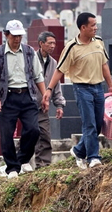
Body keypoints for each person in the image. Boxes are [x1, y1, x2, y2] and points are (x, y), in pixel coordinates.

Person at [42, 12, 112, 169]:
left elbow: (104, 64)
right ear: (83, 28)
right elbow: (59, 70)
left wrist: (110, 84)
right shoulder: (72, 47)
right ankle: (93, 158)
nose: (96, 28)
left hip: (98, 88)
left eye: (96, 25)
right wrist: (49, 89)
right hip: (82, 89)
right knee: (89, 124)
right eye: (92, 26)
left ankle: (78, 150)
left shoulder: (99, 42)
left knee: (98, 124)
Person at [0, 19, 49, 179]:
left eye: (20, 36)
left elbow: (38, 76)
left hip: (27, 96)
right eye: (14, 36)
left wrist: (44, 96)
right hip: (7, 97)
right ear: (6, 35)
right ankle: (12, 168)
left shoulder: (29, 52)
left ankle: (21, 160)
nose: (17, 39)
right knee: (7, 134)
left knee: (33, 130)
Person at [34, 31, 66, 168]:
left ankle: (43, 165)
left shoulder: (54, 63)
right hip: (29, 105)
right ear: (41, 44)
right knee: (30, 134)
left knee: (45, 135)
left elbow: (56, 86)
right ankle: (22, 163)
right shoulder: (31, 59)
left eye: (54, 43)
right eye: (50, 43)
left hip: (43, 107)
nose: (53, 46)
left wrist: (59, 105)